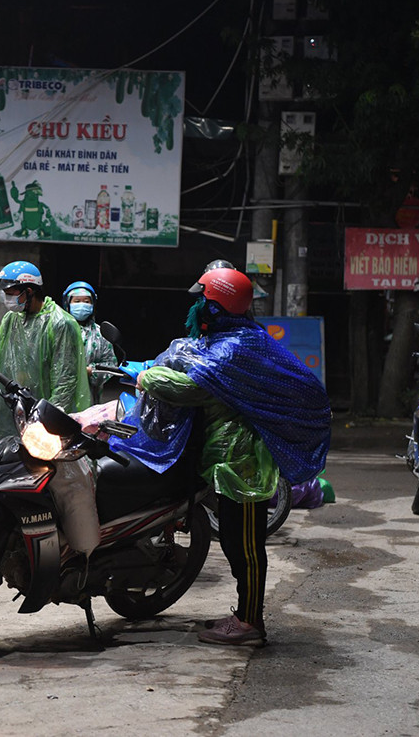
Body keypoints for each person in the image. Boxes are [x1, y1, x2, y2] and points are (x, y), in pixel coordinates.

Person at [110, 265, 331, 646]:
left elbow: (193, 386)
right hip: (231, 461)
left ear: (217, 306)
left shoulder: (236, 348)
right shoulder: (233, 338)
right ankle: (244, 614)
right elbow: (192, 361)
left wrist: (147, 378)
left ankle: (250, 624)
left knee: (244, 545)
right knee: (233, 540)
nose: (196, 306)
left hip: (244, 465)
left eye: (202, 300)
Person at [0, 261, 91, 443]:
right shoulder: (10, 319)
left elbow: (65, 379)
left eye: (10, 293)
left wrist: (50, 418)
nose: (6, 298)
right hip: (13, 409)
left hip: (44, 417)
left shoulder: (60, 323)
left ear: (29, 291)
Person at [63, 281, 118, 405]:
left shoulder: (100, 333)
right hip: (61, 397)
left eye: (86, 301)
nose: (82, 305)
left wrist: (90, 371)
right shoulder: (58, 330)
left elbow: (111, 365)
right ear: (68, 304)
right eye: (77, 301)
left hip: (91, 399)